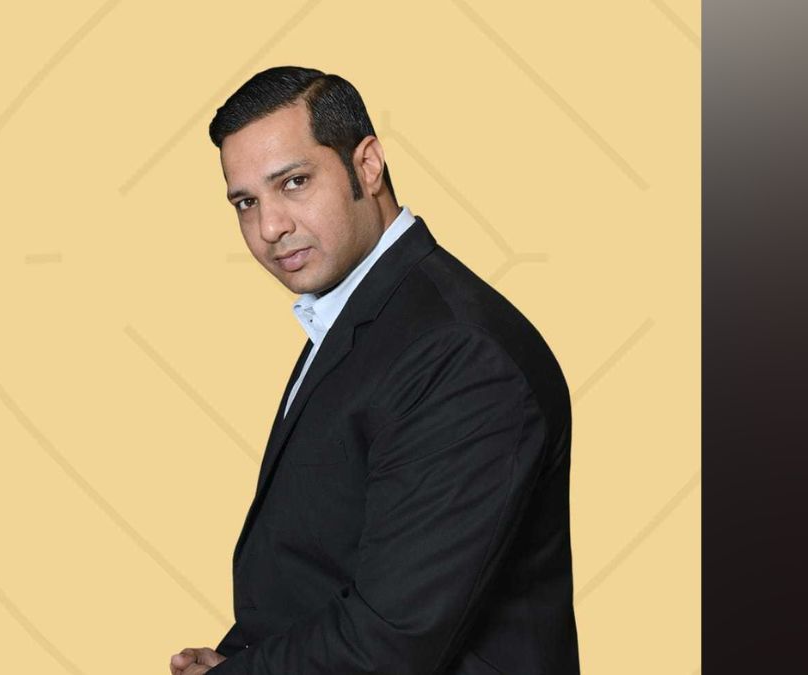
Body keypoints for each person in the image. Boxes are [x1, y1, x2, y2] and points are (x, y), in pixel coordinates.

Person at [169, 66, 579, 674]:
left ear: (367, 165)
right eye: (246, 202)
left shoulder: (459, 352)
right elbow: (322, 565)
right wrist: (240, 657)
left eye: (294, 182)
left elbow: (395, 636)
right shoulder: (367, 312)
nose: (270, 226)